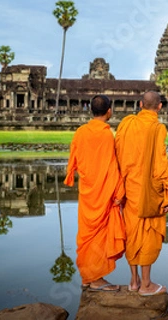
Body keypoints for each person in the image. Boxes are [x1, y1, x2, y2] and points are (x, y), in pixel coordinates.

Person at [115, 91, 168, 296]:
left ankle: (133, 281)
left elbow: (117, 153)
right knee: (148, 234)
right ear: (159, 107)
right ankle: (146, 284)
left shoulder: (126, 123)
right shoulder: (157, 128)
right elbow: (160, 164)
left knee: (132, 232)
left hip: (128, 187)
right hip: (149, 190)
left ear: (141, 104)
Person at [64, 94, 125, 292]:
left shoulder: (81, 132)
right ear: (109, 111)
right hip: (103, 192)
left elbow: (74, 159)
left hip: (88, 190)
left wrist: (72, 176)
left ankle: (87, 277)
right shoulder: (106, 134)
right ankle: (95, 278)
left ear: (91, 110)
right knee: (99, 234)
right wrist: (119, 192)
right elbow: (111, 166)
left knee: (86, 234)